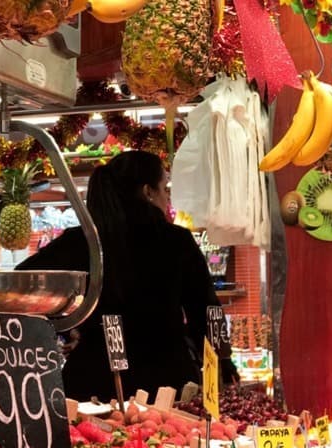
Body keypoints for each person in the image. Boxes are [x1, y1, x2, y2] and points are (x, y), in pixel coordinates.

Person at [17, 149, 238, 402]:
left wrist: (67, 327)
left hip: (92, 381)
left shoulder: (81, 241)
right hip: (166, 385)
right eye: (165, 189)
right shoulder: (176, 241)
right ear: (147, 192)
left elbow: (23, 282)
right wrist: (223, 362)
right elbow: (206, 309)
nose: (168, 199)